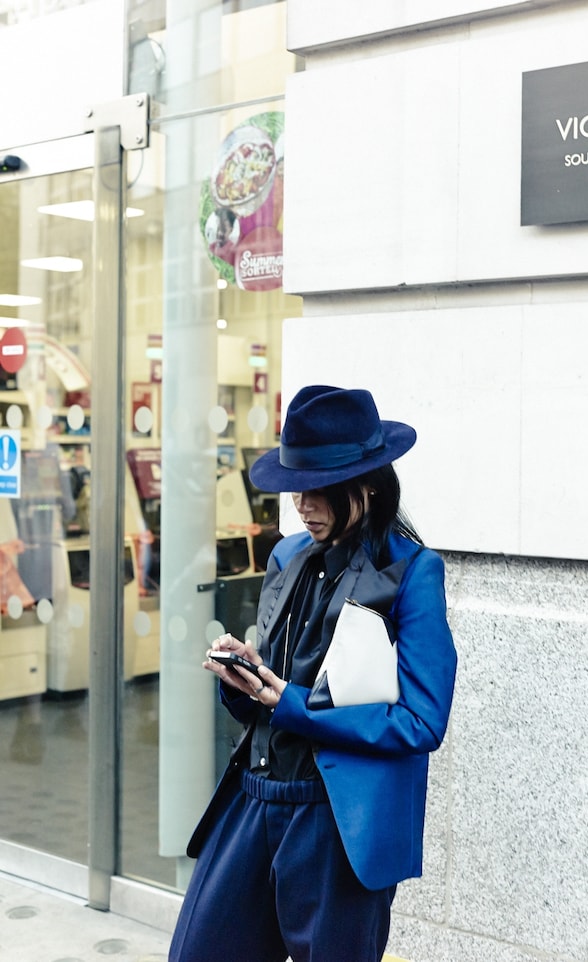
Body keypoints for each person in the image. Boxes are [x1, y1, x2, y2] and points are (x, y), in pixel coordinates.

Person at [169, 385, 457, 962]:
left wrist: (292, 702)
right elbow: (274, 692)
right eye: (296, 487)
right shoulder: (286, 556)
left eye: (319, 489)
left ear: (368, 483)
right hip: (253, 800)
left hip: (336, 821)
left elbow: (423, 723)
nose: (303, 504)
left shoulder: (411, 573)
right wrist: (247, 685)